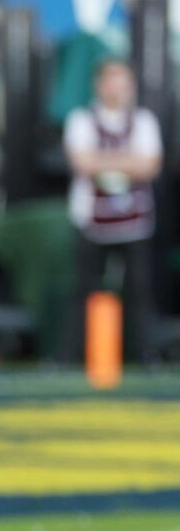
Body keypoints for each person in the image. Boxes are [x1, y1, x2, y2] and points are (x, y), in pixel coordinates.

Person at [60, 59, 163, 365]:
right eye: (110, 80)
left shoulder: (144, 121)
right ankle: (69, 355)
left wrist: (104, 160)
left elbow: (149, 166)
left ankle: (145, 353)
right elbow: (82, 162)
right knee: (84, 289)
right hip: (92, 219)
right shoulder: (81, 120)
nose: (116, 88)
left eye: (122, 81)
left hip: (134, 221)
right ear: (99, 84)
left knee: (138, 291)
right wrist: (126, 160)